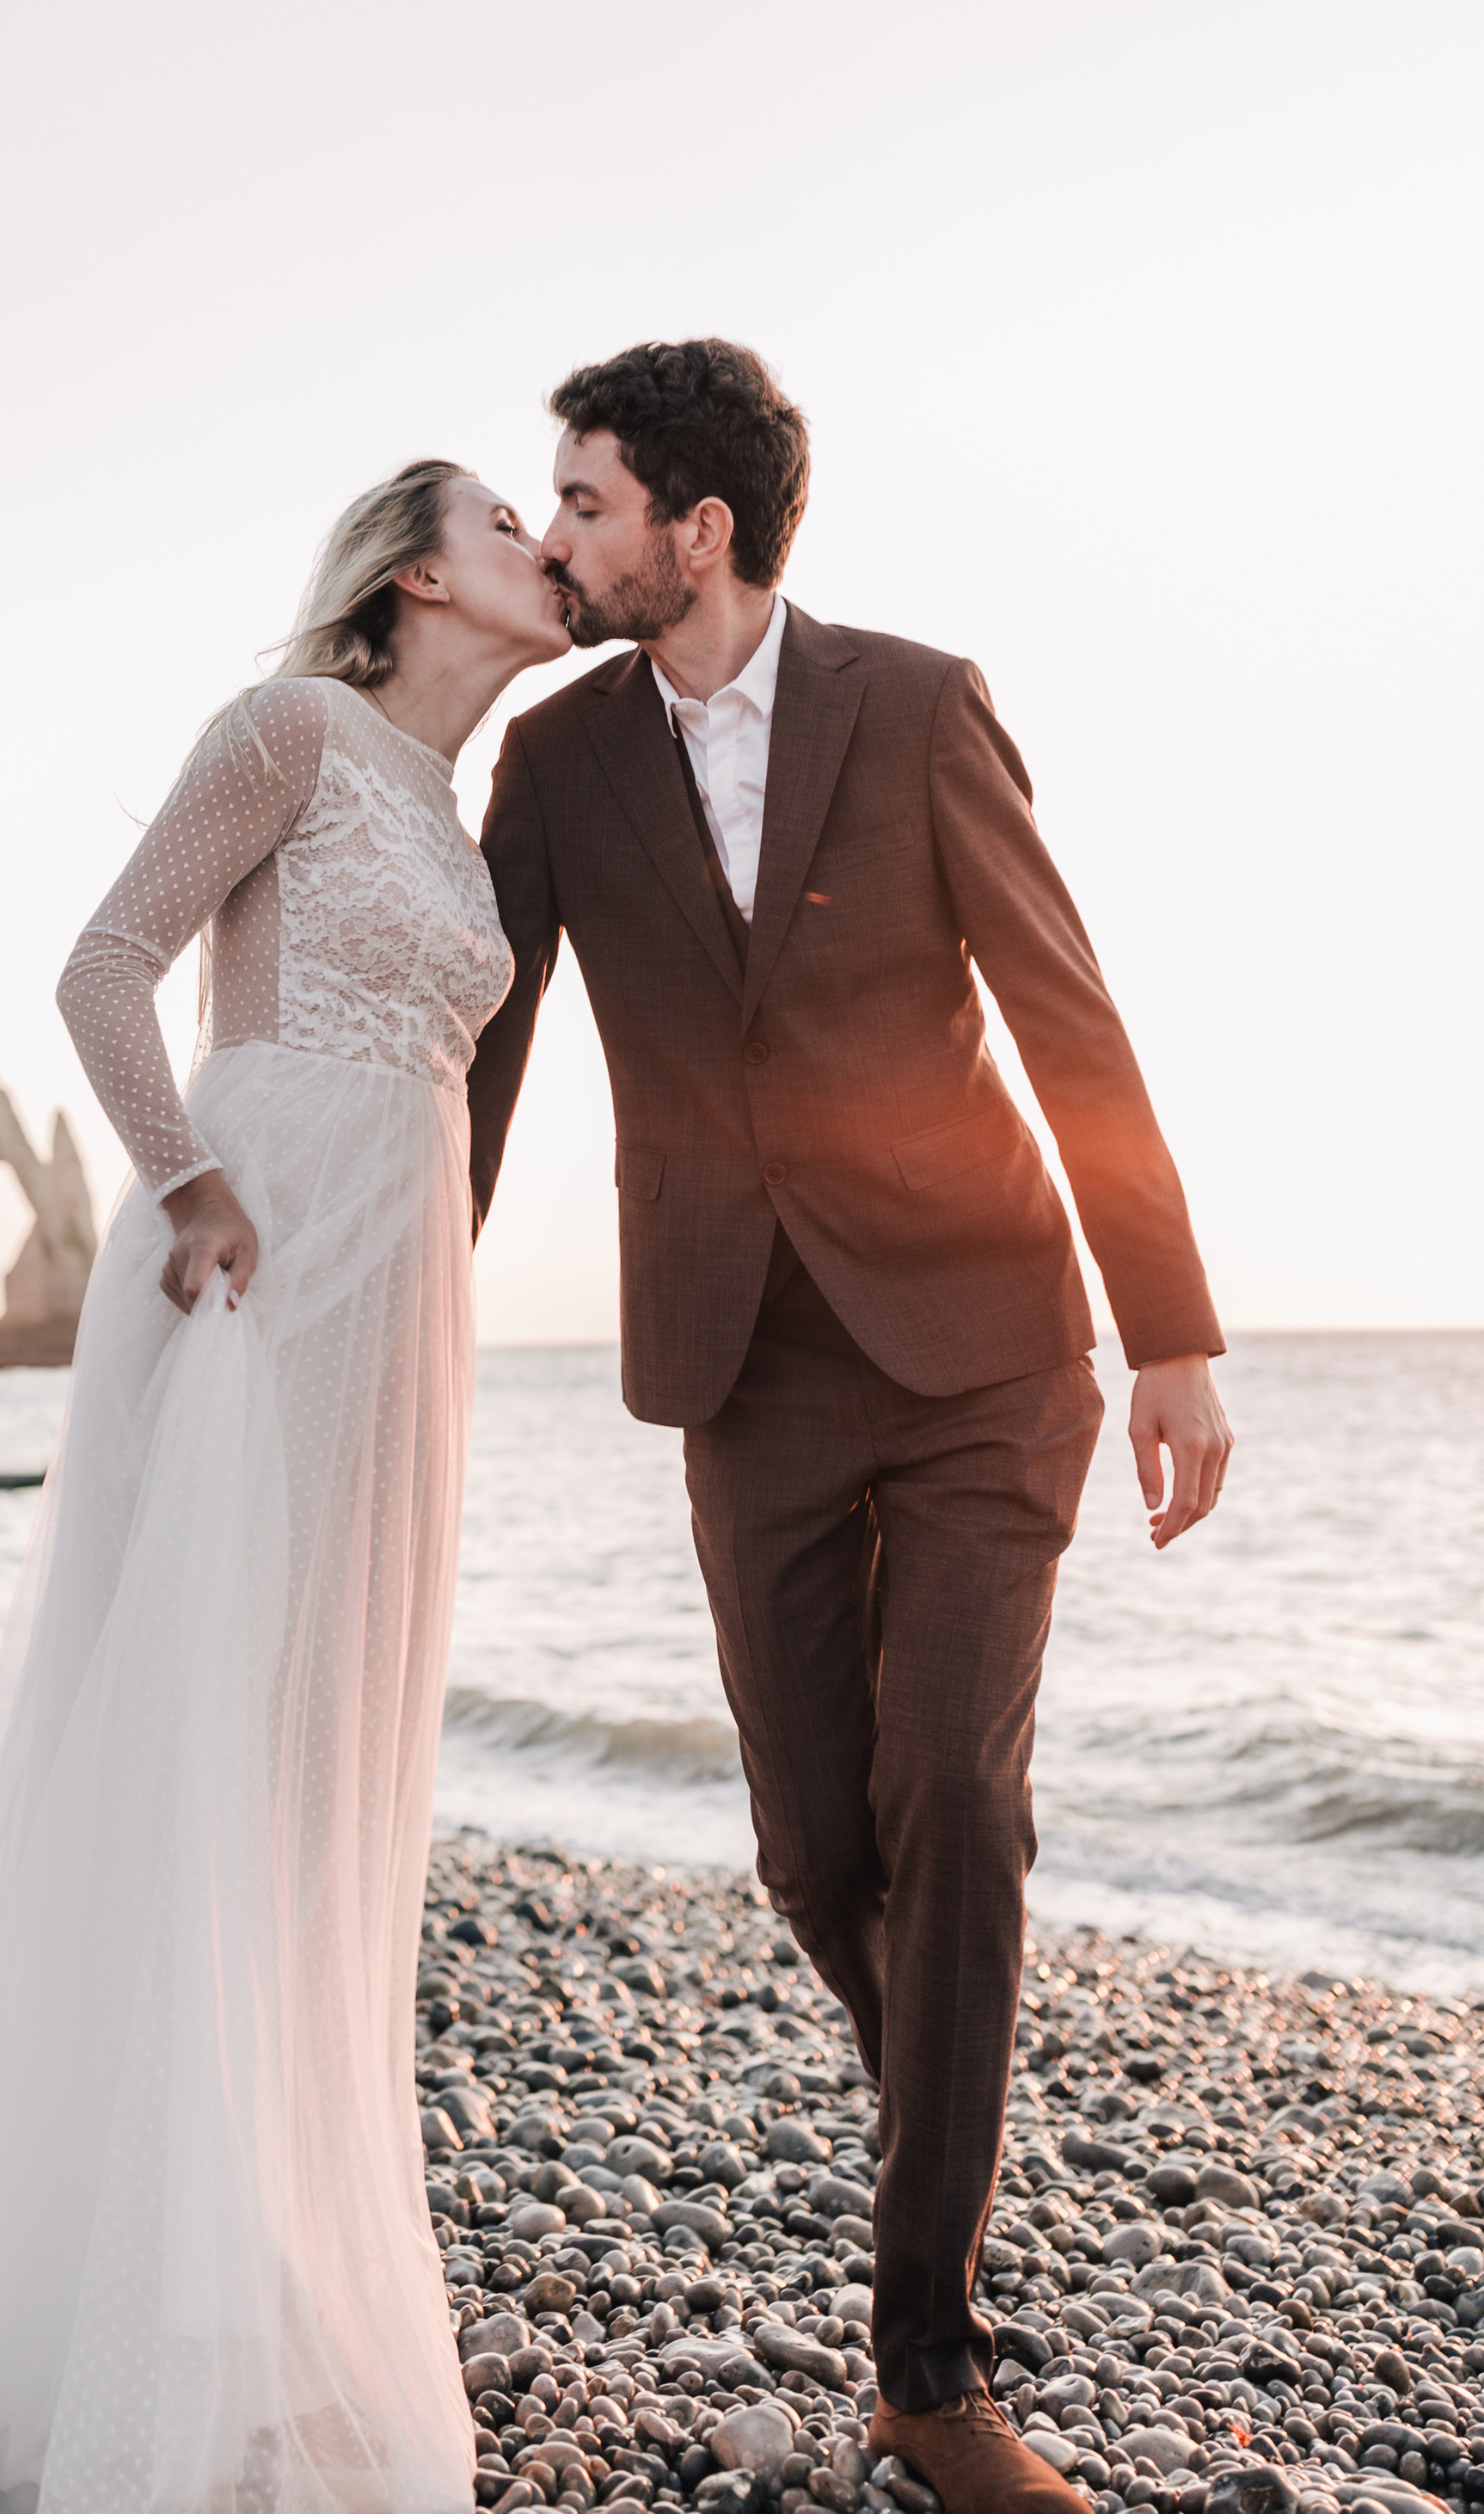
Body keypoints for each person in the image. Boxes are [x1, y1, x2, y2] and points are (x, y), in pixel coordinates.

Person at [0, 458, 569, 2514]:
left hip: (398, 1300)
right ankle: (129, 2320)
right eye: (507, 518)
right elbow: (104, 965)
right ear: (412, 569)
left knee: (313, 1773)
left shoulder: (464, 810)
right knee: (191, 1749)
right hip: (247, 1256)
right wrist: (188, 1181)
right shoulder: (290, 728)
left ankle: (262, 2271)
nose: (544, 545)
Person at [465, 338, 1233, 2514]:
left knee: (950, 1798)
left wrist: (1164, 1330)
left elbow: (1060, 1002)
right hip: (747, 1370)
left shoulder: (912, 702)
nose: (554, 533)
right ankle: (952, 2081)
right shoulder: (556, 757)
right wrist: (392, 1296)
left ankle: (928, 2366)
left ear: (696, 529)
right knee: (817, 1844)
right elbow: (486, 1052)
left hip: (987, 1347)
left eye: (585, 500)